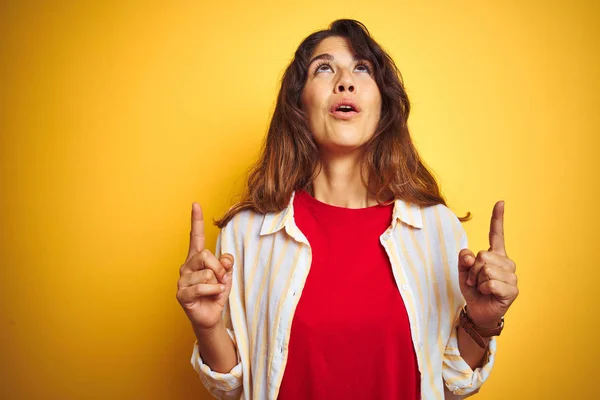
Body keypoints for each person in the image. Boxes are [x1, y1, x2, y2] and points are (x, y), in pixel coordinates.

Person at [176, 19, 518, 400]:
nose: (345, 81)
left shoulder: (437, 229)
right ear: (298, 103)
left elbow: (453, 382)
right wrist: (207, 327)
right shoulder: (247, 234)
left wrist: (483, 322)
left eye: (362, 68)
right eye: (324, 68)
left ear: (382, 103)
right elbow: (233, 386)